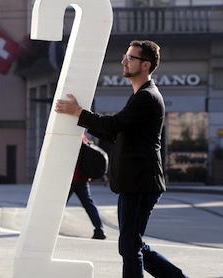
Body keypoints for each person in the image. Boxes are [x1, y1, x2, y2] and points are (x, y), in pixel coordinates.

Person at [55, 40, 187, 278]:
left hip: (141, 182)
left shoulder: (147, 97)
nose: (123, 61)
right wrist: (81, 120)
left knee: (130, 245)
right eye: (125, 56)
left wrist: (79, 112)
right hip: (135, 182)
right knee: (132, 244)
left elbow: (114, 125)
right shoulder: (140, 95)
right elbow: (115, 133)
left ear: (145, 65)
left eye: (130, 58)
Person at [70, 135, 106, 240]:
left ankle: (48, 229)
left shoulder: (68, 135)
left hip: (70, 178)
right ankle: (99, 230)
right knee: (89, 204)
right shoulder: (82, 136)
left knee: (59, 205)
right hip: (82, 178)